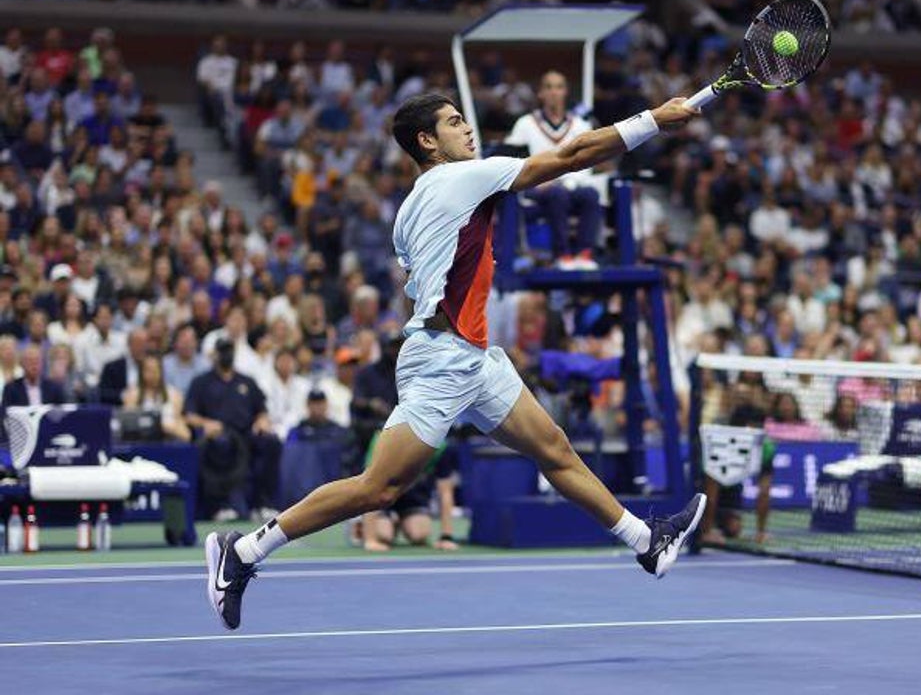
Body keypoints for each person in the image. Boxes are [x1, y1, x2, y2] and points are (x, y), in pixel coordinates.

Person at [205, 92, 704, 630]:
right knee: (379, 487)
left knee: (555, 449)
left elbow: (430, 277)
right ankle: (244, 551)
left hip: (471, 358)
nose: (468, 130)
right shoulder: (461, 178)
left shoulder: (410, 208)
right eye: (454, 122)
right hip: (442, 362)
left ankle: (645, 541)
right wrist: (653, 119)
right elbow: (571, 155)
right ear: (428, 142)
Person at [504, 70, 602, 269]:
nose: (554, 92)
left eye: (558, 87)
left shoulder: (580, 125)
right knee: (557, 194)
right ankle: (562, 255)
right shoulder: (526, 124)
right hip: (536, 186)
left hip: (572, 184)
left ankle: (584, 254)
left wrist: (568, 182)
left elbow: (587, 163)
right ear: (540, 93)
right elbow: (512, 159)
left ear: (565, 91)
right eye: (548, 87)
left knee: (591, 194)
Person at [186, 338, 280, 522]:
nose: (226, 355)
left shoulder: (247, 381)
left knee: (271, 443)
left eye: (229, 350)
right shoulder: (201, 382)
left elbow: (261, 410)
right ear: (214, 355)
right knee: (221, 444)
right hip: (219, 435)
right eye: (222, 351)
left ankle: (263, 505)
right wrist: (206, 423)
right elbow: (189, 414)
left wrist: (261, 421)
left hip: (247, 434)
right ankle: (222, 506)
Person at [362, 436, 460, 552]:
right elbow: (372, 487)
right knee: (384, 535)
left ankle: (397, 520)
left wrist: (446, 537)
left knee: (420, 535)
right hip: (383, 496)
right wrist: (370, 539)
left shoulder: (441, 447)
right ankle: (362, 521)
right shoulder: (384, 439)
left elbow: (445, 492)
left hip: (413, 495)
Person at [121, 354, 191, 441]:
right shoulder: (132, 395)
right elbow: (129, 427)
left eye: (156, 370)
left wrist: (166, 428)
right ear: (141, 372)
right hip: (141, 442)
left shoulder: (174, 395)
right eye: (148, 370)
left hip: (169, 439)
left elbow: (186, 435)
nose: (152, 374)